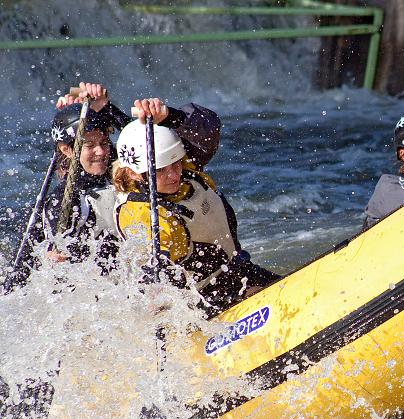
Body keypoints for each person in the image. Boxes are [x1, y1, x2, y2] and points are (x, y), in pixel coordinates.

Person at [112, 98, 280, 314]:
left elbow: (210, 128)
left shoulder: (187, 168)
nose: (173, 175)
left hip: (241, 272)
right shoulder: (140, 214)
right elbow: (153, 268)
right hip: (202, 306)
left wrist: (171, 116)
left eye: (176, 164)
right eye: (161, 170)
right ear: (134, 173)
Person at [3, 82, 128, 290]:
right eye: (89, 145)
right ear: (67, 150)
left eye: (104, 143)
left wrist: (105, 107)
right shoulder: (64, 201)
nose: (101, 152)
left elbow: (138, 139)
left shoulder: (110, 169)